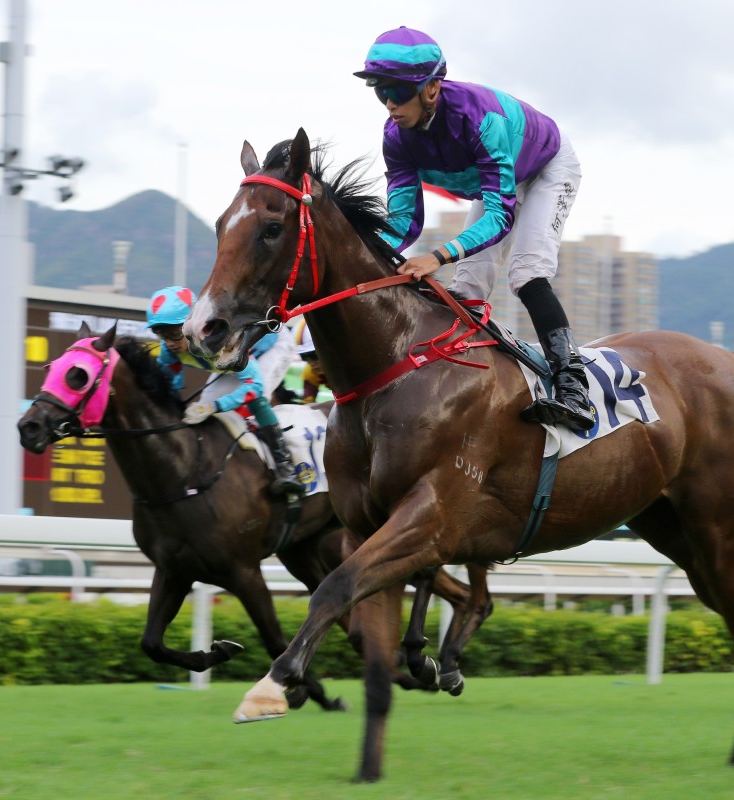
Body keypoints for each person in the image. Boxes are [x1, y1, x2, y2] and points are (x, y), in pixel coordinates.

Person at [354, 26, 594, 432]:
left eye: (397, 91)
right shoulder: (395, 137)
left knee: (528, 272)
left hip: (547, 167)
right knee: (466, 288)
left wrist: (436, 256)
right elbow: (403, 223)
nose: (389, 104)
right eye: (380, 91)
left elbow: (500, 217)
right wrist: (362, 254)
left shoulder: (480, 119)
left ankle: (573, 385)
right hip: (494, 180)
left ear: (432, 89)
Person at [146, 286, 304, 495]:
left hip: (271, 346)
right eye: (161, 334)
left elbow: (254, 386)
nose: (169, 343)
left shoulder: (220, 341)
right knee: (204, 406)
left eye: (175, 333)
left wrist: (214, 406)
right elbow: (170, 390)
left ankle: (286, 468)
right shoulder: (169, 353)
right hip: (234, 362)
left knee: (256, 399)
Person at [293, 320, 329, 404]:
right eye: (304, 357)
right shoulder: (310, 371)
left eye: (314, 355)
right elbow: (307, 404)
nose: (312, 363)